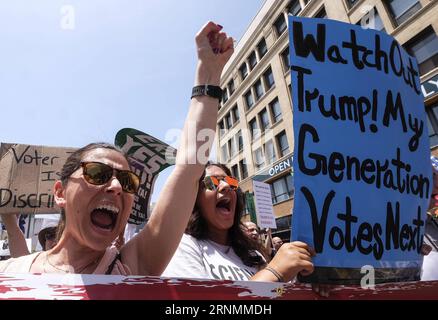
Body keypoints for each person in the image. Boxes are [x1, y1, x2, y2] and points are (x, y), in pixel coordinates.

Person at [0, 21, 234, 275]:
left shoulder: (130, 267)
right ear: (60, 193)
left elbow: (190, 167)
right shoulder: (11, 272)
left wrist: (208, 74)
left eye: (127, 181)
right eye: (97, 173)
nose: (115, 187)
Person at [162, 162, 316, 282]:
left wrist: (307, 281)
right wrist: (275, 271)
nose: (226, 186)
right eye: (213, 182)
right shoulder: (182, 246)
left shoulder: (252, 254)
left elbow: (277, 294)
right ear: (194, 198)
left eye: (230, 181)